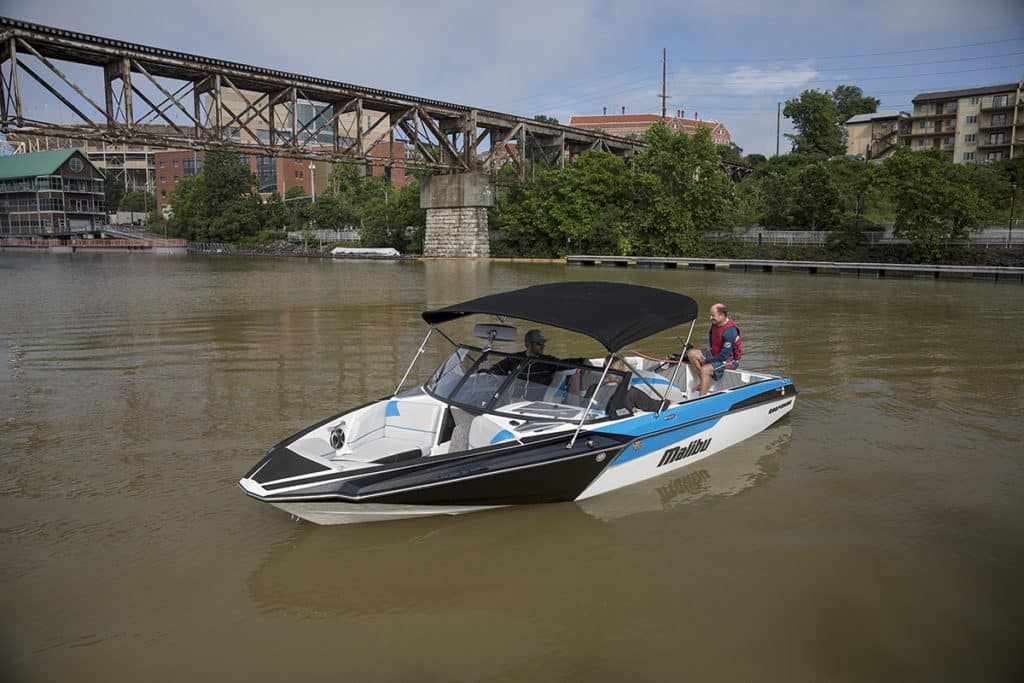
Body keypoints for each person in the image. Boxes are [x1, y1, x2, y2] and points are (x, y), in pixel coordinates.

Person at [489, 329, 587, 396]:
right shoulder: (514, 359)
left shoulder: (547, 361)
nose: (543, 346)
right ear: (528, 344)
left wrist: (582, 361)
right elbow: (495, 370)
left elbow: (565, 363)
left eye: (543, 343)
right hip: (512, 404)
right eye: (539, 343)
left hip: (536, 406)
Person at [685, 303, 742, 397]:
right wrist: (708, 355)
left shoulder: (730, 331)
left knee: (705, 369)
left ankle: (702, 398)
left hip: (729, 360)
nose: (710, 318)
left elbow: (724, 356)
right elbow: (712, 342)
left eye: (713, 315)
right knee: (691, 354)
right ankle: (703, 381)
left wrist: (706, 361)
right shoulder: (715, 324)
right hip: (715, 354)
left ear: (722, 315)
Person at [588, 358, 665, 416]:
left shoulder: (593, 388)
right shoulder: (630, 392)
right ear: (624, 369)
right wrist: (671, 402)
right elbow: (656, 406)